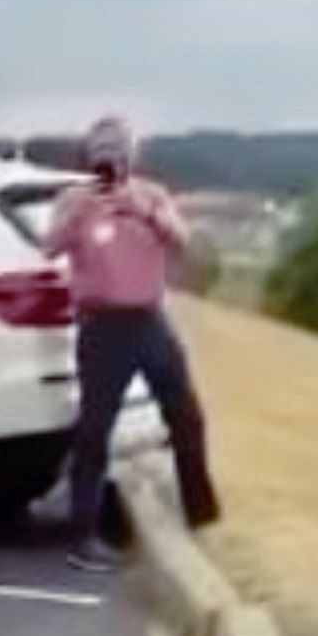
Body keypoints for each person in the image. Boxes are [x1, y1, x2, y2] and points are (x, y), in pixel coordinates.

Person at [44, 115, 221, 573]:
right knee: (94, 430)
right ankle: (81, 534)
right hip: (102, 325)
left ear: (130, 156)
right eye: (103, 154)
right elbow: (50, 247)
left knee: (185, 414)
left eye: (118, 154)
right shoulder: (74, 200)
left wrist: (146, 211)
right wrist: (82, 213)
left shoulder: (152, 195)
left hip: (149, 319)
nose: (110, 166)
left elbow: (182, 243)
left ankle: (202, 513)